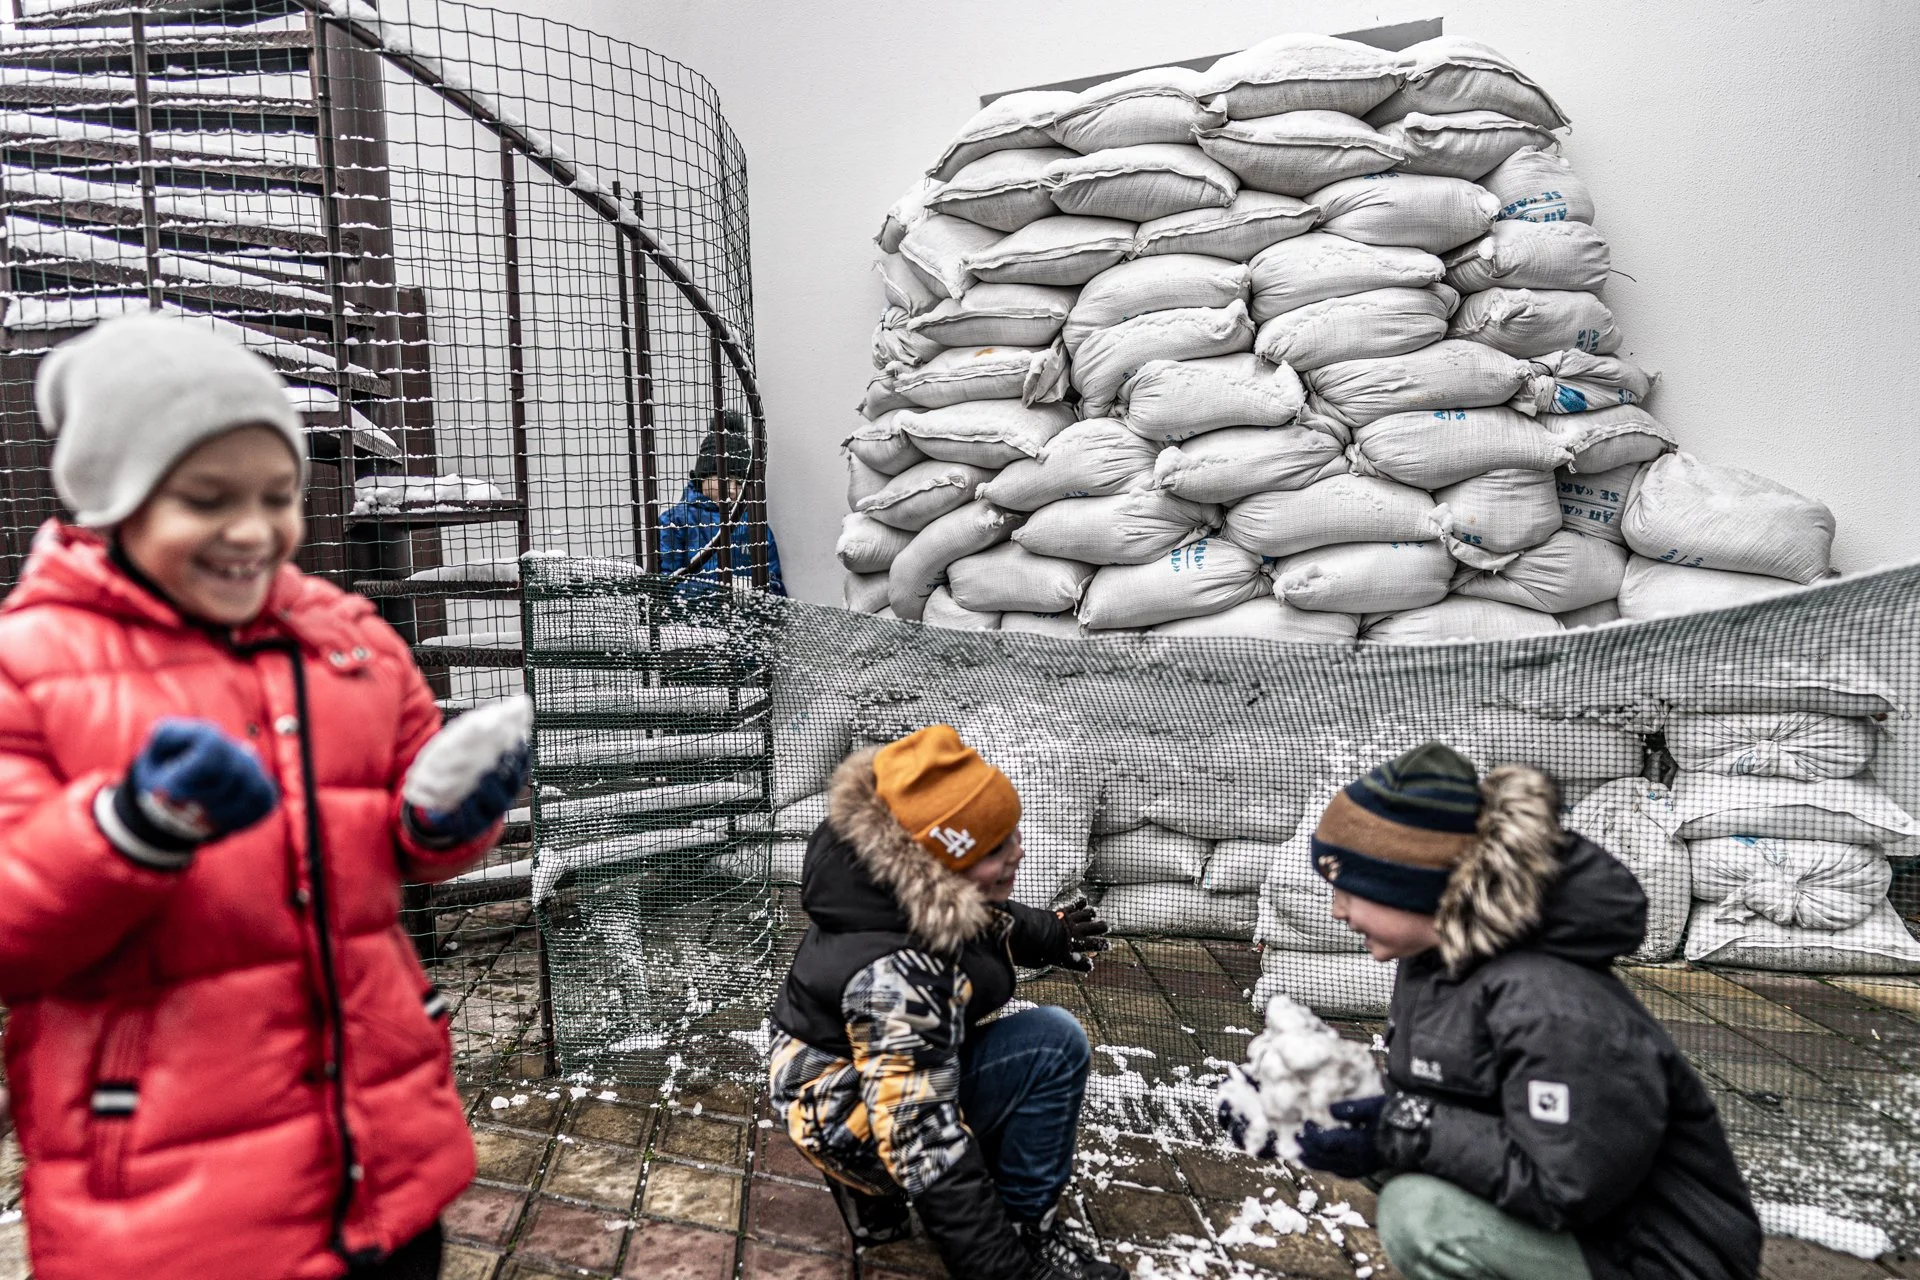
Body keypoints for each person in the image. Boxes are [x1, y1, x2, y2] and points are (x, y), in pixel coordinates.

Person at [0, 314, 531, 1280]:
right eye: (208, 500)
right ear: (111, 501)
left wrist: (447, 818)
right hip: (171, 1199)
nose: (253, 530)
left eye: (278, 496)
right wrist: (132, 829)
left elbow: (403, 840)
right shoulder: (28, 667)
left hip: (376, 1156)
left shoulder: (349, 640)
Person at [1234, 742, 1762, 1280]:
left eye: (1350, 888)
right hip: (1593, 1231)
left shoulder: (1552, 1004)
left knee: (1422, 1215)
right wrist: (1306, 1105)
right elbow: (1443, 1110)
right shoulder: (1437, 963)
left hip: (1659, 1259)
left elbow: (1566, 1183)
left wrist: (1396, 1128)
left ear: (1413, 885)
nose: (1337, 909)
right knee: (1390, 1156)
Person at [767, 724, 1123, 1280]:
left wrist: (1046, 932)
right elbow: (924, 1139)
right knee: (1053, 1044)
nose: (1017, 853)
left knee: (935, 1050)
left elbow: (977, 913)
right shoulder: (898, 979)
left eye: (1011, 834)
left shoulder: (883, 873)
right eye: (993, 848)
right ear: (939, 866)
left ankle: (872, 1206)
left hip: (821, 1074)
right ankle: (1027, 1227)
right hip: (847, 1114)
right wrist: (1007, 1269)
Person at [657, 409, 786, 595]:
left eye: (740, 483)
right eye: (725, 480)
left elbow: (774, 587)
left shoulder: (756, 527)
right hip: (689, 623)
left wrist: (752, 595)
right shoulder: (675, 522)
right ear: (703, 477)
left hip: (744, 623)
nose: (733, 490)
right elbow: (664, 586)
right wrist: (723, 593)